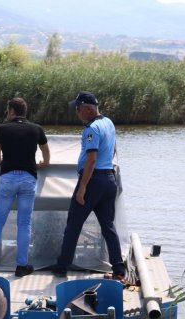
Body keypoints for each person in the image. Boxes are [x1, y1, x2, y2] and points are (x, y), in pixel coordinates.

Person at [52, 91, 126, 280]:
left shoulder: (91, 129)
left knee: (73, 225)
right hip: (109, 179)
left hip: (93, 181)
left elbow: (91, 160)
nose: (77, 112)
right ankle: (119, 269)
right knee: (108, 226)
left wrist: (83, 187)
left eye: (78, 108)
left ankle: (62, 266)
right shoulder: (108, 123)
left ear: (88, 108)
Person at [0, 97, 50, 277]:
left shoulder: (1, 129)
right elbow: (46, 151)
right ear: (25, 112)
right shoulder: (36, 129)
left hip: (8, 178)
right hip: (28, 179)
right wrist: (44, 163)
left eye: (7, 110)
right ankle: (21, 266)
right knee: (24, 223)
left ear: (11, 111)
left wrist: (0, 161)